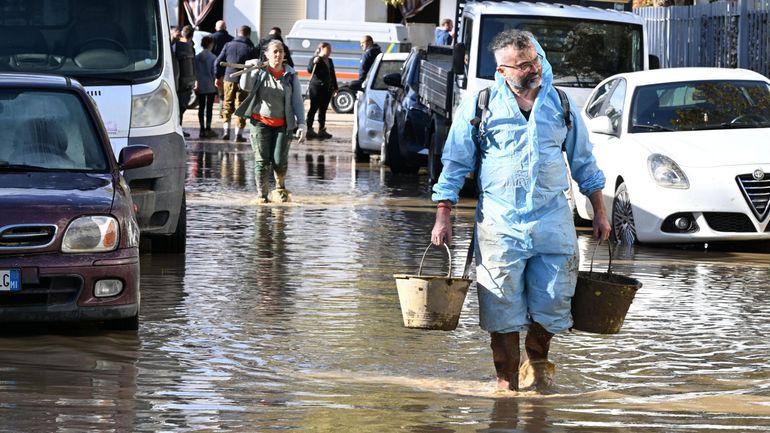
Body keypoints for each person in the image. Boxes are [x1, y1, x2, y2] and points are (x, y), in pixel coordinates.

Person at [430, 29, 611, 393]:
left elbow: (584, 163)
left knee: (555, 303)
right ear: (502, 71)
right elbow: (454, 165)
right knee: (501, 311)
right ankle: (506, 390)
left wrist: (600, 212)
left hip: (553, 224)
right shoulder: (480, 104)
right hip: (500, 227)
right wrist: (443, 214)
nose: (533, 69)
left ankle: (536, 362)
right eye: (523, 65)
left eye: (535, 60)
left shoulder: (559, 103)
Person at [235, 40, 306, 203]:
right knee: (262, 161)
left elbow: (297, 101)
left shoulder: (290, 75)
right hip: (260, 122)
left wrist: (302, 123)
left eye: (281, 51)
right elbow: (245, 86)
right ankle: (262, 196)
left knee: (279, 161)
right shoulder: (259, 71)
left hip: (283, 124)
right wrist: (248, 68)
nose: (278, 55)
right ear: (266, 54)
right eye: (274, 51)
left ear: (284, 55)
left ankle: (280, 187)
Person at [216, 25, 259, 142]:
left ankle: (226, 132)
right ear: (248, 34)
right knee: (241, 106)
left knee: (227, 104)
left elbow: (218, 61)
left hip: (228, 79)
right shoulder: (250, 47)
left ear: (239, 33)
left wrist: (217, 76)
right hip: (243, 81)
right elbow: (255, 65)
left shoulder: (228, 45)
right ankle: (238, 135)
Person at [306, 42, 338, 140]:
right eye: (328, 49)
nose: (330, 52)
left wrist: (335, 88)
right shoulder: (316, 59)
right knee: (313, 108)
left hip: (327, 89)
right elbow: (309, 70)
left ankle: (321, 129)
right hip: (316, 88)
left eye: (330, 50)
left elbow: (332, 74)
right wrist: (314, 62)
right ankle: (309, 129)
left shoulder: (330, 60)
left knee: (323, 110)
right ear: (321, 49)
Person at [174, 25, 196, 138]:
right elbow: (193, 66)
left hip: (177, 81)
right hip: (184, 83)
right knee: (181, 107)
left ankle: (179, 128)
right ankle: (178, 128)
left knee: (179, 107)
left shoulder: (174, 46)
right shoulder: (189, 48)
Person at [194, 35, 218, 138]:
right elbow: (214, 73)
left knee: (201, 108)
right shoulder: (213, 57)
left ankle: (202, 129)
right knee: (209, 108)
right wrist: (216, 87)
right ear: (210, 44)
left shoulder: (197, 57)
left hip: (200, 85)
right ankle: (208, 128)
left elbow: (194, 71)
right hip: (210, 85)